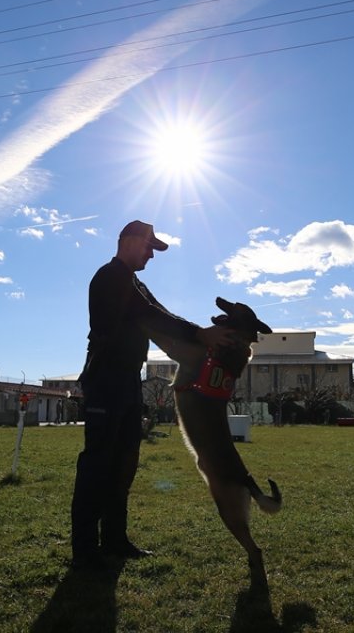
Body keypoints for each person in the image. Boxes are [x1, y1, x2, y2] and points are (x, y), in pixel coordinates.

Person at [70, 220, 234, 570]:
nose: (150, 254)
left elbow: (162, 315)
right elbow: (152, 316)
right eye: (148, 247)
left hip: (128, 382)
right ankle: (84, 551)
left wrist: (200, 338)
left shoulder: (135, 283)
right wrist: (199, 335)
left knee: (124, 463)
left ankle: (114, 540)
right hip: (105, 381)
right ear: (128, 241)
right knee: (98, 464)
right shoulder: (110, 277)